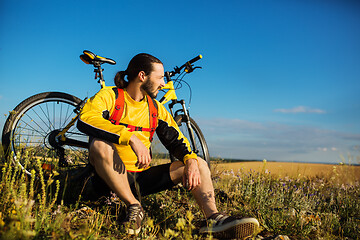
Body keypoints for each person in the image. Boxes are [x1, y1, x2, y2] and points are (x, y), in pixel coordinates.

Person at [77, 53, 259, 238]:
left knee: (198, 163)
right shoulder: (110, 96)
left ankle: (213, 219)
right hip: (105, 179)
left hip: (140, 179)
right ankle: (134, 206)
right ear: (142, 76)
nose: (163, 83)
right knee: (99, 145)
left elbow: (177, 141)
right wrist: (130, 137)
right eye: (160, 77)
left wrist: (190, 160)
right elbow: (85, 119)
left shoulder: (156, 109)